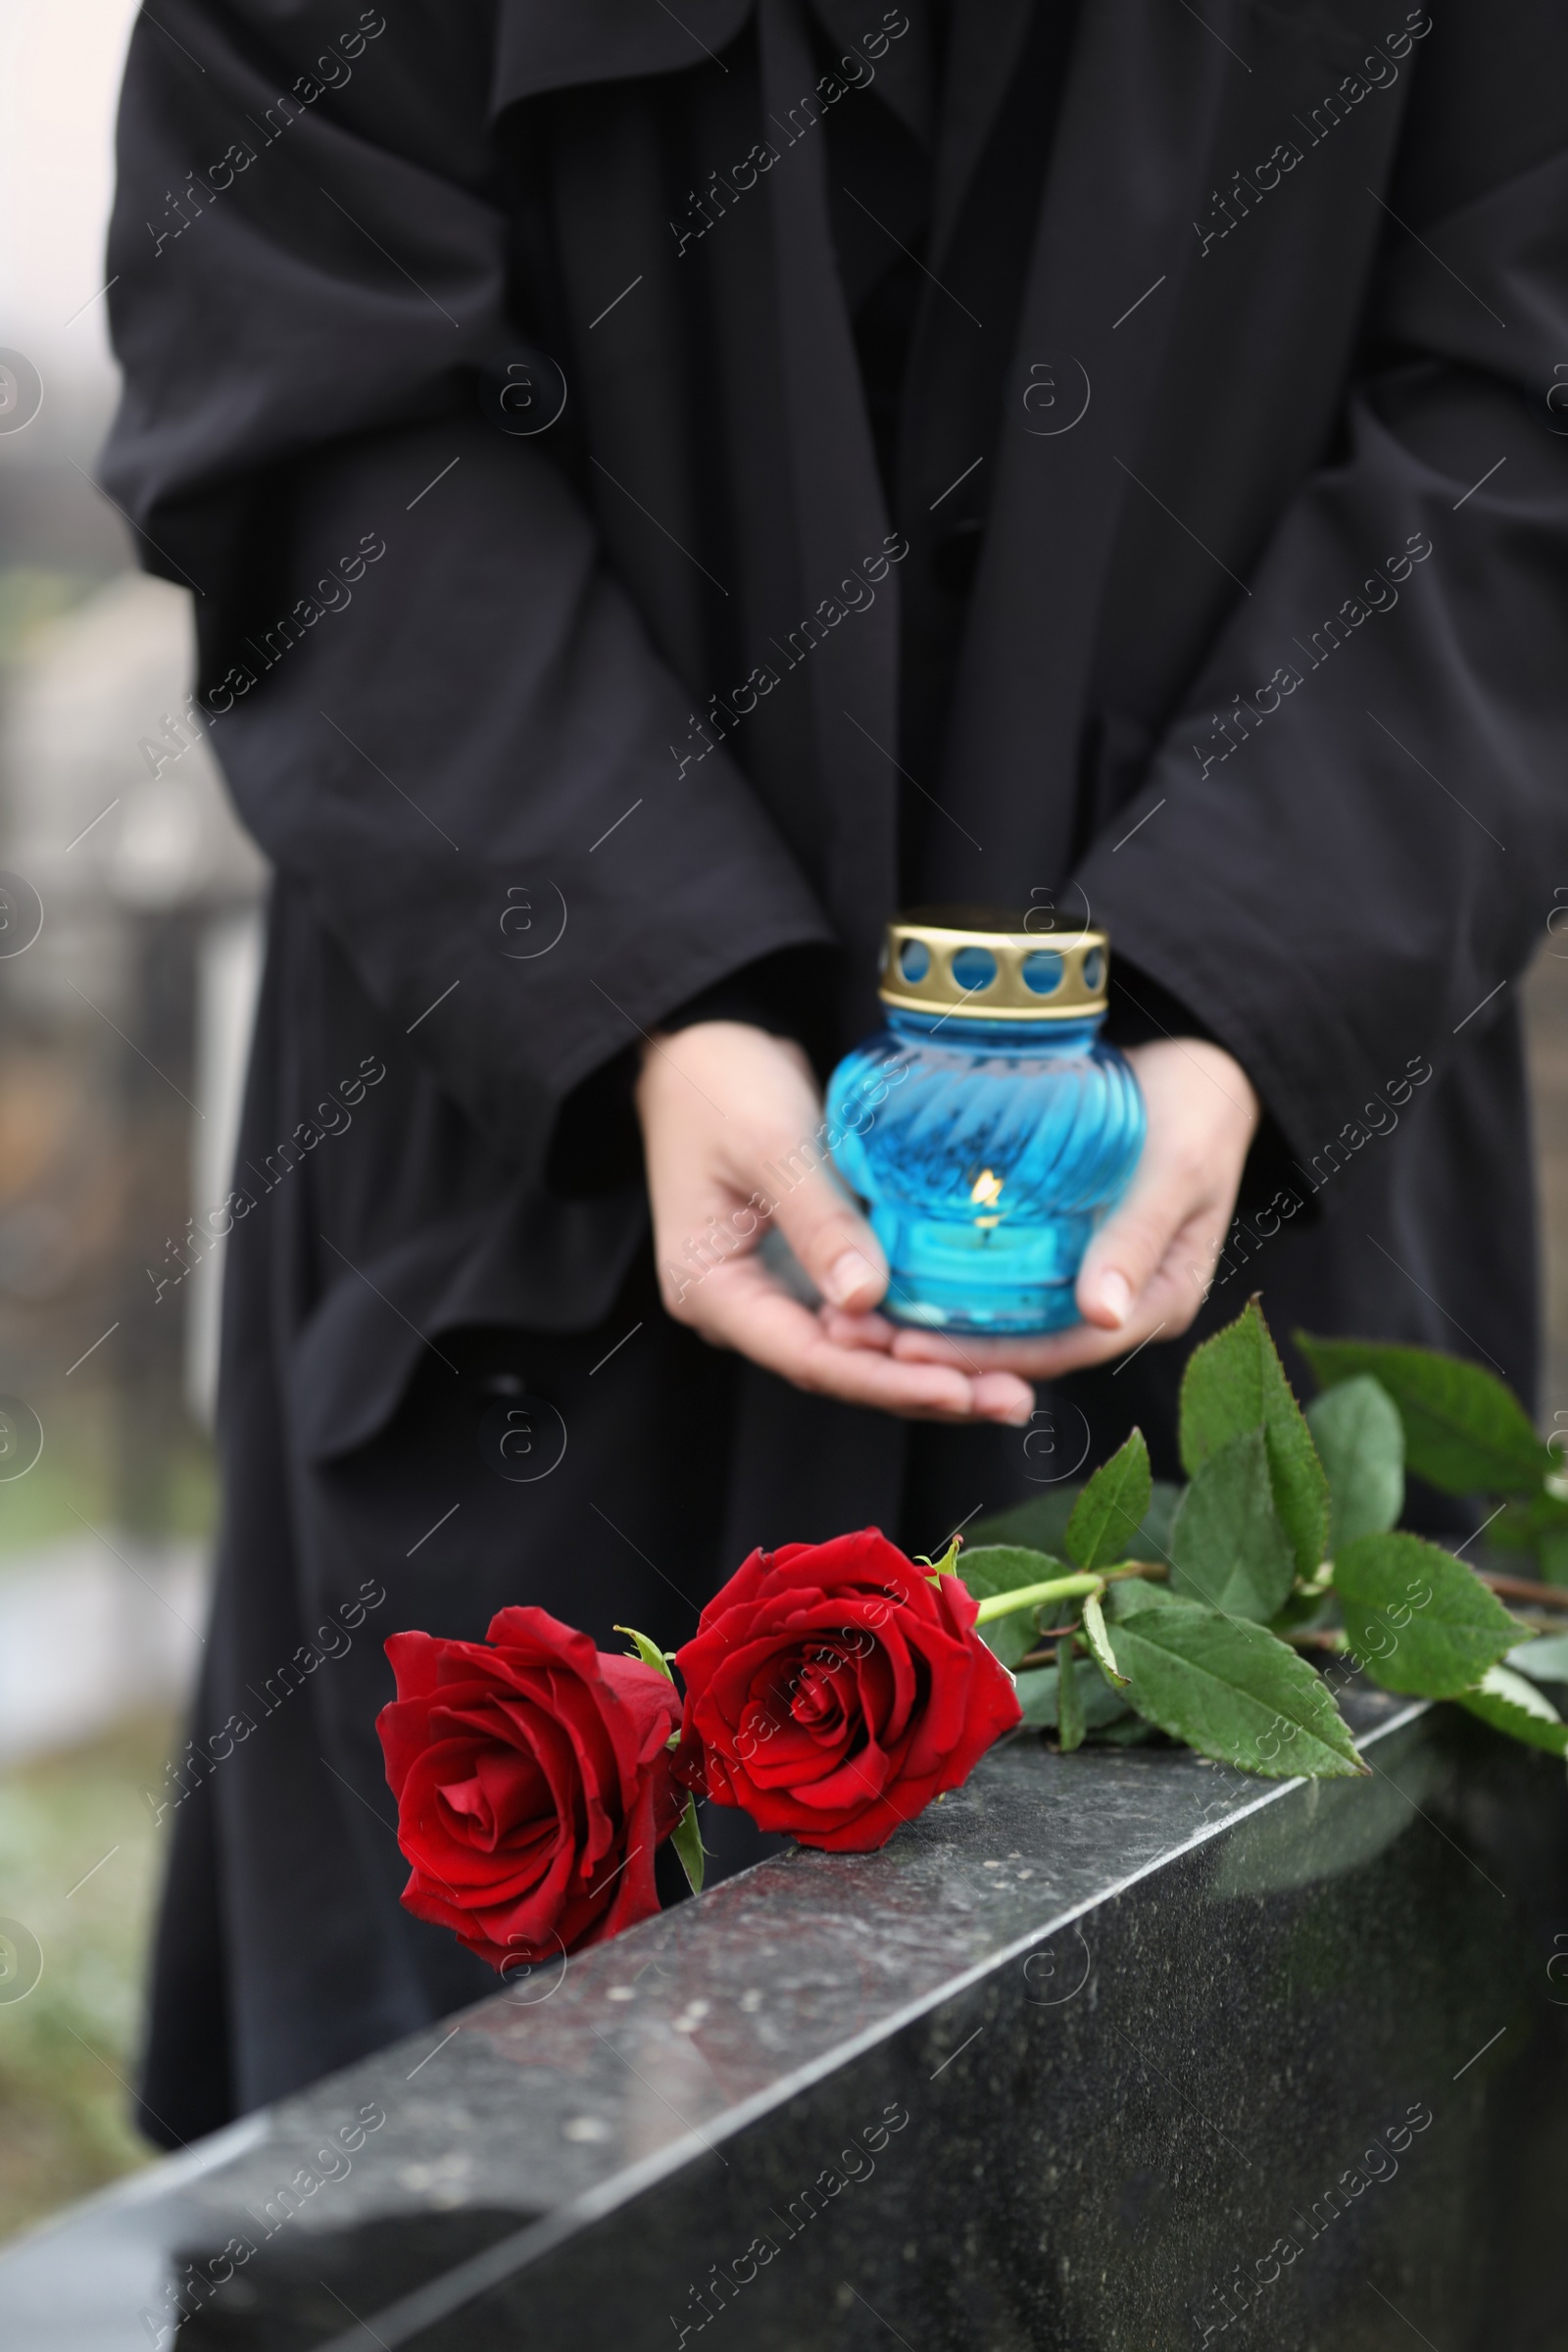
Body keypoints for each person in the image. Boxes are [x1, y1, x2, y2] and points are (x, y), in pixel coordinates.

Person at [104, 0, 1568, 2142]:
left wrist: (1243, 974)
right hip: (539, 1178)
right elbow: (303, 367)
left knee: (1249, 2174)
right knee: (482, 2212)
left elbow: (1521, 387)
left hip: (1258, 1173)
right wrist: (645, 979)